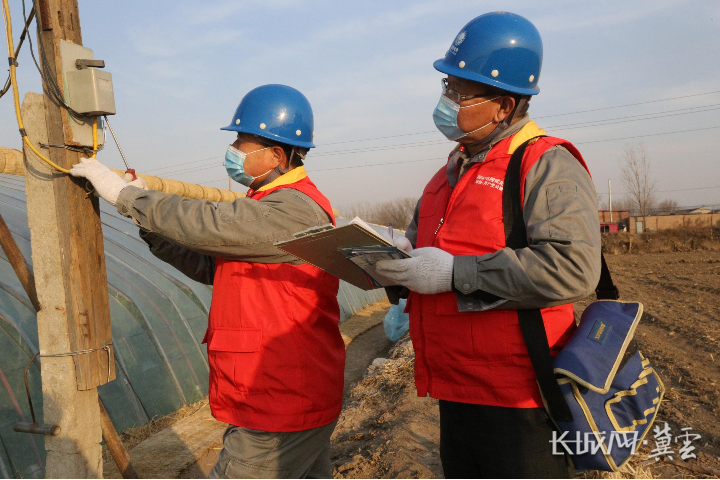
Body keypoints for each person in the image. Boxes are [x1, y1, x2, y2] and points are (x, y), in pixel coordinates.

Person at [70, 84, 345, 479]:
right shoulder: (266, 206)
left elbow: (210, 222)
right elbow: (212, 266)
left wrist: (130, 198)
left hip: (279, 401)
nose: (232, 150)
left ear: (276, 154)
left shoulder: (294, 209)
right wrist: (148, 225)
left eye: (241, 142)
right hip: (279, 395)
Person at [376, 12, 602, 479]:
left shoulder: (545, 164)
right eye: (447, 86)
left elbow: (573, 268)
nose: (446, 101)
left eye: (459, 92)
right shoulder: (445, 176)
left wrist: (455, 274)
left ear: (503, 106)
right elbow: (422, 252)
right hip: (454, 389)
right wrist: (391, 263)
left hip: (520, 399)